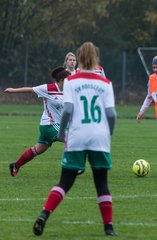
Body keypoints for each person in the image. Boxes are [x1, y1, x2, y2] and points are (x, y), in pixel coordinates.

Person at [32, 41, 117, 236]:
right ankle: (109, 227)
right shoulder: (105, 83)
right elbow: (111, 114)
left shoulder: (70, 81)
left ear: (78, 59)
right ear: (96, 59)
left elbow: (68, 110)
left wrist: (62, 134)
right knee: (101, 184)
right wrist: (108, 134)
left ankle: (44, 214)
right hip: (99, 136)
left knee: (65, 182)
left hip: (77, 135)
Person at [4, 67, 71, 177]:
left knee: (38, 149)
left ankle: (15, 165)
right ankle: (71, 168)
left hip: (56, 125)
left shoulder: (67, 92)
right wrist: (13, 90)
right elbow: (31, 89)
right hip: (49, 125)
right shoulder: (48, 88)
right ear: (62, 80)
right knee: (71, 140)